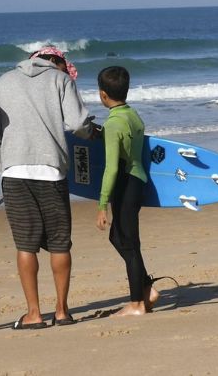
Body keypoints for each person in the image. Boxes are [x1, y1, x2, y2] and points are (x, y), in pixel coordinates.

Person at [0, 47, 94, 329]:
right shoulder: (60, 80)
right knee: (59, 243)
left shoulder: (4, 81)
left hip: (15, 171)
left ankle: (33, 314)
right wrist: (91, 134)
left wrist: (3, 167)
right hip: (51, 170)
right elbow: (78, 122)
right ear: (56, 61)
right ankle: (61, 311)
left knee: (26, 244)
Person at [95, 66, 159, 316]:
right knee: (119, 238)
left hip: (124, 182)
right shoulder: (132, 115)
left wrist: (101, 204)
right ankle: (146, 288)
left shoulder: (113, 124)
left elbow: (111, 168)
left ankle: (136, 304)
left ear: (102, 95)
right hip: (138, 180)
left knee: (129, 244)